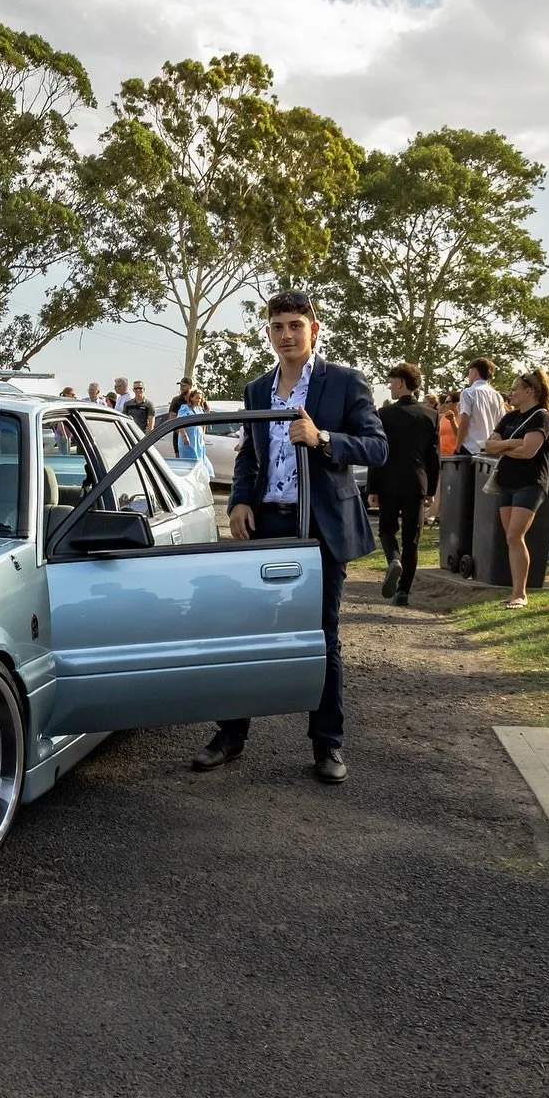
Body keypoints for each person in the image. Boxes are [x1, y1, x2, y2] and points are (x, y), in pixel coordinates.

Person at [190, 289, 387, 785]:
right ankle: (231, 735)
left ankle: (327, 745)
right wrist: (239, 499)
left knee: (322, 634)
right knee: (246, 628)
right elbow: (248, 455)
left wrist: (323, 439)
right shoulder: (258, 389)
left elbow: (377, 447)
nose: (287, 335)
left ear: (313, 329)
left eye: (296, 325)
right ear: (269, 332)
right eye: (278, 327)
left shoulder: (344, 383)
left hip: (320, 526)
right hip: (267, 520)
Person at [480, 369, 549, 608]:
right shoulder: (509, 417)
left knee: (515, 535)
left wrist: (504, 446)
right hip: (507, 482)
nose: (510, 393)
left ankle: (520, 593)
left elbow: (528, 452)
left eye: (514, 389)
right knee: (510, 538)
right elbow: (489, 446)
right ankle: (514, 591)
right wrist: (512, 443)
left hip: (530, 482)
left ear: (529, 391)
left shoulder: (541, 417)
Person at [374, 362, 441, 606]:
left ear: (401, 383)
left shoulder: (384, 415)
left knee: (386, 529)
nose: (389, 386)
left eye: (391, 382)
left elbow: (377, 453)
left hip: (389, 481)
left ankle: (393, 559)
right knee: (412, 538)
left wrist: (373, 487)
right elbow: (434, 456)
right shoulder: (431, 415)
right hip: (417, 481)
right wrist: (431, 489)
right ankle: (403, 592)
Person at [456, 356, 506, 455]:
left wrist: (457, 446)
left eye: (469, 372)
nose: (468, 376)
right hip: (490, 448)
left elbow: (464, 423)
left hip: (470, 448)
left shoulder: (468, 393)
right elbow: (502, 423)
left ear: (475, 371)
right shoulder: (497, 396)